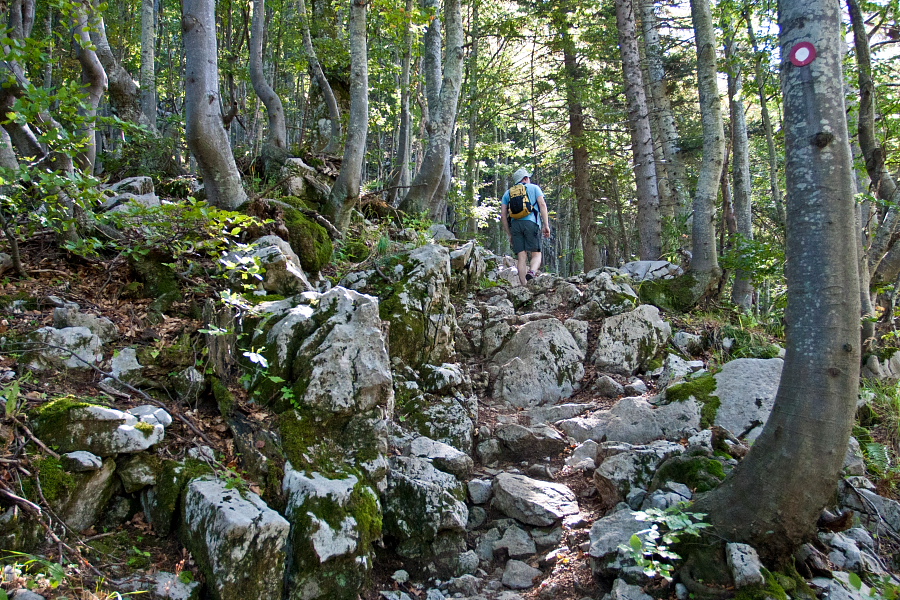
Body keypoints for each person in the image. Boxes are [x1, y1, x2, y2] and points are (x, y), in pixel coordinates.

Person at [501, 168, 551, 285]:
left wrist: (510, 234)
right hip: (531, 223)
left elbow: (503, 215)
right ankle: (532, 272)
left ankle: (524, 285)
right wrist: (546, 225)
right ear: (525, 178)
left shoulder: (508, 193)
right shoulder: (534, 188)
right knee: (536, 253)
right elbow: (542, 205)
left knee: (521, 256)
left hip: (515, 225)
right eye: (528, 177)